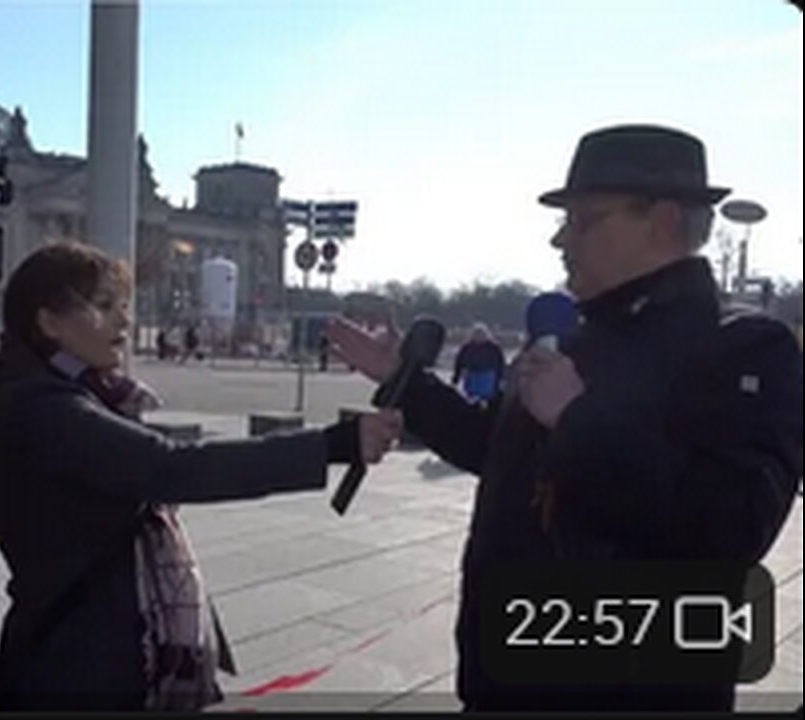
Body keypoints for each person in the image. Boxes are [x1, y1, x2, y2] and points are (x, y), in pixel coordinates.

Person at [325, 124, 803, 712]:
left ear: (663, 221)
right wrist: (404, 380)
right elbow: (495, 447)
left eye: (583, 220)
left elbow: (731, 527)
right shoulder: (572, 339)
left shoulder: (743, 350)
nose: (559, 239)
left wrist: (578, 419)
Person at [0, 243, 403, 711]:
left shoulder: (62, 392)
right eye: (104, 306)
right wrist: (333, 445)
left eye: (124, 305)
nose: (124, 321)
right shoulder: (41, 407)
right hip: (80, 659)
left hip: (89, 637)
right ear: (49, 322)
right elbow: (173, 467)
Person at [451, 322, 506, 404]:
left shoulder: (493, 348)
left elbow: (500, 363)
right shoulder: (467, 348)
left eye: (481, 334)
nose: (479, 337)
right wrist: (456, 378)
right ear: (472, 335)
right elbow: (459, 363)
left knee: (488, 399)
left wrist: (501, 378)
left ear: (486, 335)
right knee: (471, 399)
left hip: (488, 376)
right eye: (476, 334)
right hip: (472, 376)